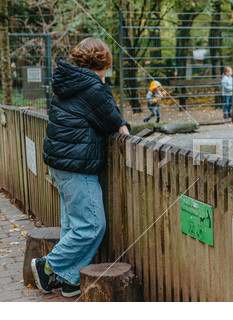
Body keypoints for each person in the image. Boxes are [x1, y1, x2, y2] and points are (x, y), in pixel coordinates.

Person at [34, 38, 130, 298]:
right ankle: (48, 266)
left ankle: (68, 279)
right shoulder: (93, 87)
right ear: (105, 64)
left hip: (60, 162)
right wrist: (122, 125)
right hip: (77, 165)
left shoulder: (67, 82)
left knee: (73, 225)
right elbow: (109, 119)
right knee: (92, 225)